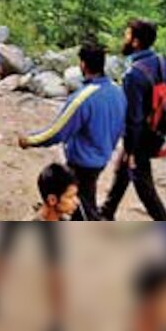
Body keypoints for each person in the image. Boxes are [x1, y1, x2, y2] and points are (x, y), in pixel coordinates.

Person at [18, 42, 126, 220]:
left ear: (82, 64)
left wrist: (30, 140)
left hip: (82, 162)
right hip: (102, 157)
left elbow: (57, 132)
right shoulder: (117, 92)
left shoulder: (83, 98)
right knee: (81, 202)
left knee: (81, 207)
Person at [100, 19, 166, 221]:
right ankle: (107, 210)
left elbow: (134, 118)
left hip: (141, 136)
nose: (124, 38)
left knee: (143, 184)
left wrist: (131, 149)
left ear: (136, 42)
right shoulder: (161, 60)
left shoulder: (134, 74)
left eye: (127, 35)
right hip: (158, 128)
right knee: (122, 169)